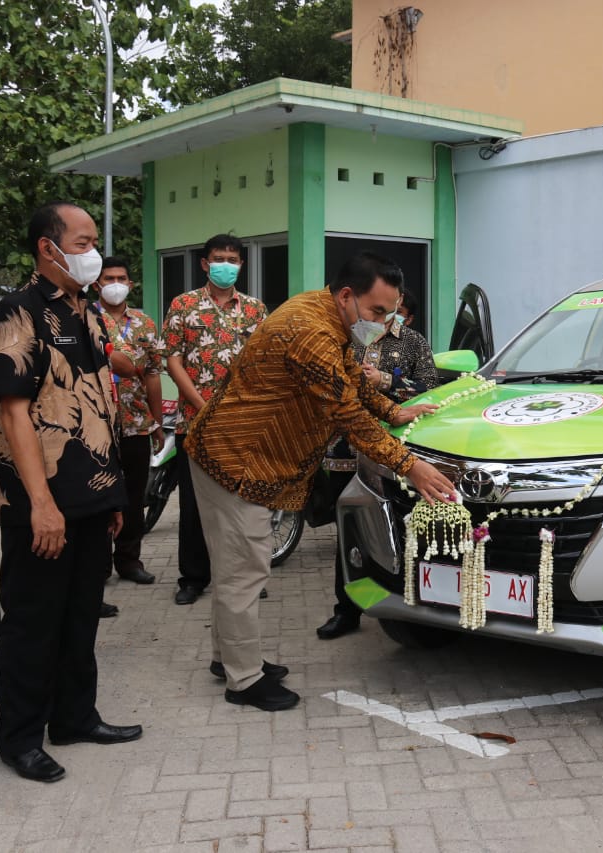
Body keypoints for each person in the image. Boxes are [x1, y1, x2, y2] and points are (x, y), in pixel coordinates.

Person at [184, 251, 457, 711]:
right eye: (376, 312)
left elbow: (351, 379)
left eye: (389, 314)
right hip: (235, 462)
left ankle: (228, 657)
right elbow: (347, 412)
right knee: (244, 570)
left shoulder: (324, 312)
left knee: (237, 568)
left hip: (246, 457)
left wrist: (394, 412)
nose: (382, 323)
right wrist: (410, 466)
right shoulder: (311, 333)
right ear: (347, 295)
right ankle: (243, 680)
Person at [0, 202, 141, 784]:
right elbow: (15, 414)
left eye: (94, 242)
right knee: (32, 624)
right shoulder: (17, 314)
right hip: (40, 503)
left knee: (80, 618)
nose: (93, 253)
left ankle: (75, 717)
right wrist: (42, 504)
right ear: (48, 248)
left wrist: (112, 496)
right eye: (83, 242)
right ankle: (19, 738)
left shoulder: (88, 312)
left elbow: (99, 403)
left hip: (92, 494)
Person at [316, 289, 440, 639]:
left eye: (396, 311)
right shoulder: (351, 335)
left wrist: (384, 380)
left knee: (394, 528)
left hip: (396, 455)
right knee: (349, 532)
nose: (386, 316)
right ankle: (346, 610)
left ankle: (406, 604)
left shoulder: (414, 342)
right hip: (343, 450)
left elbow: (431, 389)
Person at [161, 234, 266, 605]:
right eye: (219, 258)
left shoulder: (255, 309)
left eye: (233, 260)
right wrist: (202, 405)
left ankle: (246, 575)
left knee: (242, 505)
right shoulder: (183, 305)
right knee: (194, 506)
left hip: (241, 425)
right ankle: (193, 578)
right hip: (196, 423)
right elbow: (172, 359)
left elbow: (263, 362)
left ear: (241, 265)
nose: (226, 265)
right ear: (205, 264)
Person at [94, 257, 162, 587]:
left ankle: (129, 560)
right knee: (99, 494)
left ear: (130, 284)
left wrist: (157, 423)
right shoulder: (85, 318)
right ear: (97, 284)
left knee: (134, 496)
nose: (115, 284)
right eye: (109, 278)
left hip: (136, 422)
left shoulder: (144, 323)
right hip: (95, 425)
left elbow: (152, 374)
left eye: (121, 278)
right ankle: (97, 566)